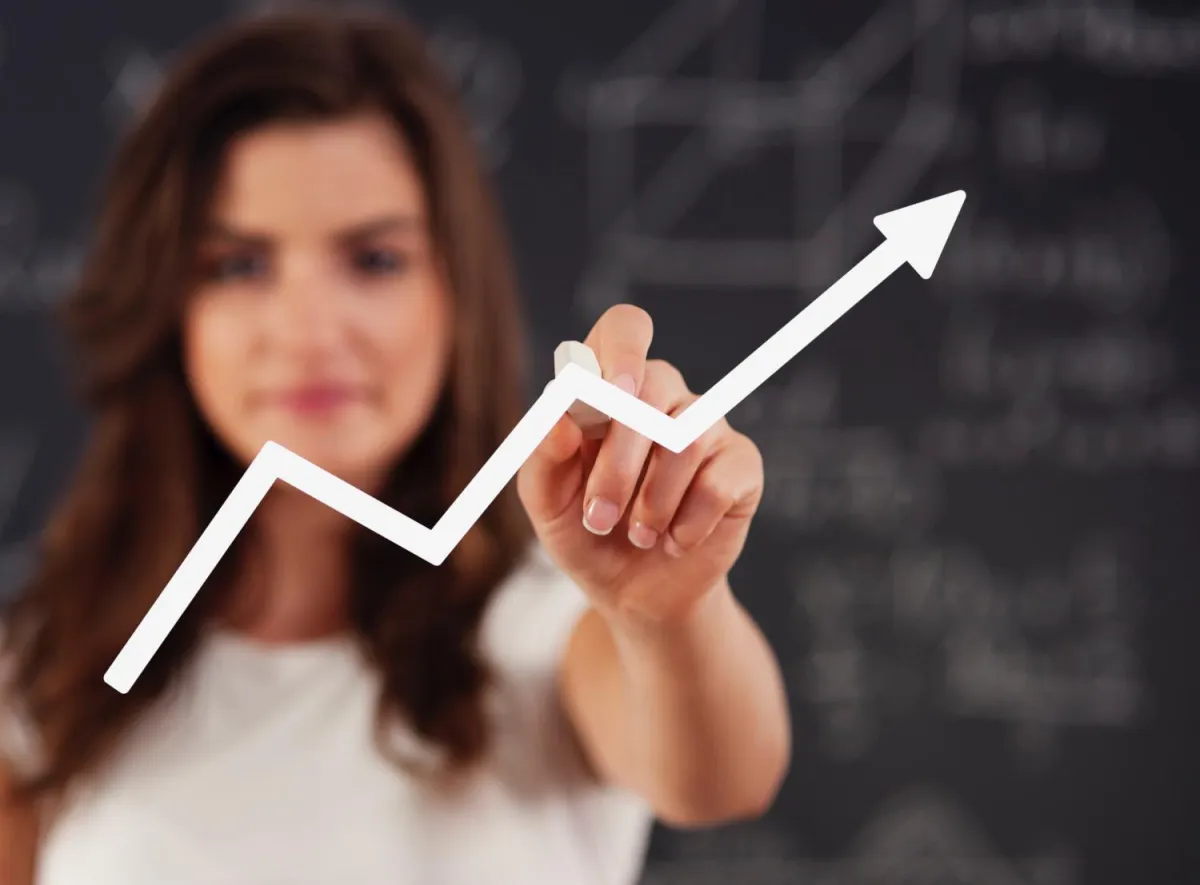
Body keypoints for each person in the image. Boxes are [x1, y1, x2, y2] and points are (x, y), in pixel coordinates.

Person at [0, 6, 791, 884]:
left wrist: (666, 613)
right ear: (169, 308)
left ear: (455, 292)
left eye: (374, 260)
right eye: (238, 265)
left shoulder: (551, 625)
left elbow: (724, 779)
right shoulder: (43, 675)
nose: (307, 328)